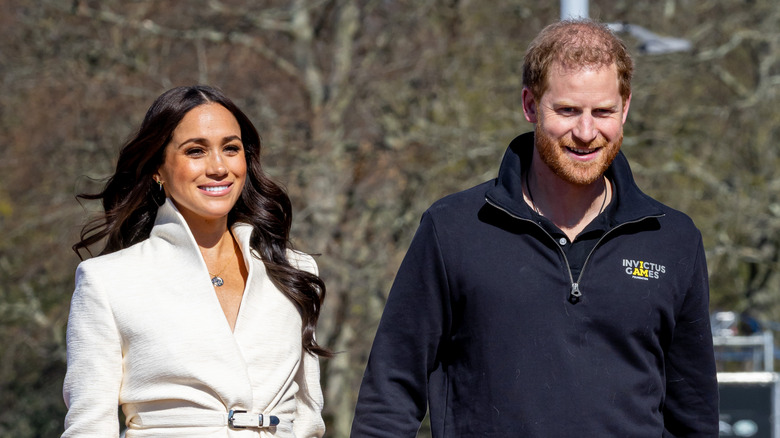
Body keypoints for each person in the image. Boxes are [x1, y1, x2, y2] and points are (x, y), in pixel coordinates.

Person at [351, 19, 718, 437]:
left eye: (603, 112)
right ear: (530, 105)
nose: (585, 132)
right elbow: (391, 390)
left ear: (625, 108)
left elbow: (694, 412)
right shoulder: (454, 228)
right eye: (566, 110)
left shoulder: (672, 240)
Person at [63, 85, 330, 438]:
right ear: (158, 168)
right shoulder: (108, 281)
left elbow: (309, 417)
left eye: (231, 148)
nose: (218, 167)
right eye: (196, 151)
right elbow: (89, 428)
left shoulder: (293, 271)